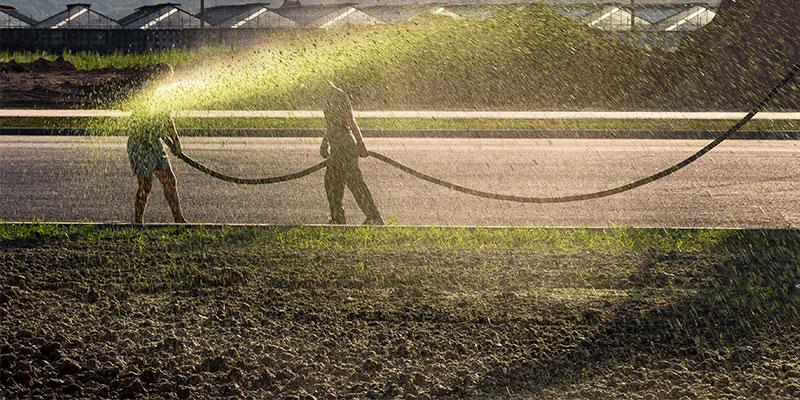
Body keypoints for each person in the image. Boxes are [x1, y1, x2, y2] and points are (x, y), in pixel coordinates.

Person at [319, 82, 384, 225]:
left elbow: (350, 121)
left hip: (344, 146)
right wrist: (325, 142)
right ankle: (344, 217)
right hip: (338, 146)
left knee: (348, 183)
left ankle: (370, 218)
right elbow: (332, 124)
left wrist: (361, 144)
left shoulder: (338, 95)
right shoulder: (328, 96)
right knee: (336, 183)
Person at [127, 112, 187, 224]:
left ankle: (179, 219)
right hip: (140, 143)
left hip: (155, 143)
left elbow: (167, 118)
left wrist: (176, 140)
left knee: (169, 180)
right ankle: (138, 222)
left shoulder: (160, 98)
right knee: (145, 185)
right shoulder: (141, 97)